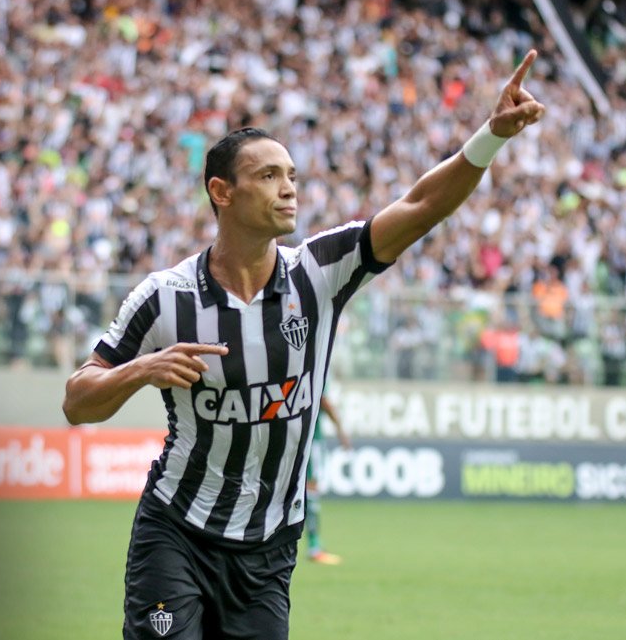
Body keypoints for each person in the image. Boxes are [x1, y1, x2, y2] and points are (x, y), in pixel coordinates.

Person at [63, 51, 545, 639]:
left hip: (268, 551)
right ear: (221, 191)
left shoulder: (320, 272)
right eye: (268, 176)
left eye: (291, 175)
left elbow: (420, 207)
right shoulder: (165, 298)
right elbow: (77, 400)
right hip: (176, 533)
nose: (288, 188)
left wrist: (491, 137)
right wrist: (141, 370)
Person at [305, 392, 351, 565]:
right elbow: (324, 400)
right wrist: (340, 430)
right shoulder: (319, 373)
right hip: (310, 439)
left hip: (292, 436)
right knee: (311, 488)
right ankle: (314, 545)